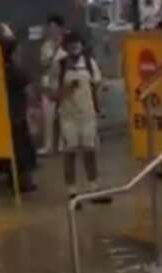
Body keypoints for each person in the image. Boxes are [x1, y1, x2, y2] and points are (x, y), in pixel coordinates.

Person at [55, 31, 110, 203]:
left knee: (90, 152)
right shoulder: (59, 66)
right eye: (71, 45)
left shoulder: (89, 63)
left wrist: (99, 108)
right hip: (68, 117)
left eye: (77, 44)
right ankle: (72, 192)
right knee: (70, 153)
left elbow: (96, 86)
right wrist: (67, 89)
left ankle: (94, 188)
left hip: (88, 115)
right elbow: (51, 94)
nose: (74, 48)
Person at [0, 24, 37, 193]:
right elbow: (29, 91)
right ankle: (23, 182)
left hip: (4, 115)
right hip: (18, 115)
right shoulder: (16, 70)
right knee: (22, 150)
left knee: (12, 150)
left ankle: (12, 178)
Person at [39, 15, 67, 155]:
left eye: (55, 28)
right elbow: (43, 64)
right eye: (50, 28)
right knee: (48, 117)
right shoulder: (46, 45)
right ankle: (48, 146)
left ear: (61, 28)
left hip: (63, 84)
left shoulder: (68, 43)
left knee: (63, 116)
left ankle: (63, 145)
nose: (52, 31)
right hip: (49, 84)